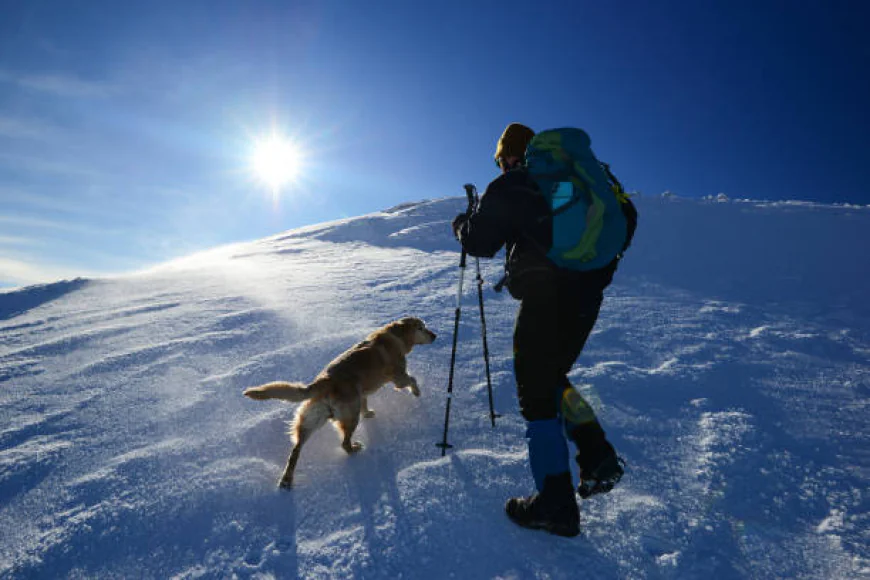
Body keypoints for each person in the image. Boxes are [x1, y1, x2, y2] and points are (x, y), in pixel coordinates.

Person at [452, 123, 625, 537]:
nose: (502, 164)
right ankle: (597, 456)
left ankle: (555, 502)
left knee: (535, 393)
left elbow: (478, 243)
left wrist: (462, 223)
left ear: (510, 155)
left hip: (546, 299)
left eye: (501, 159)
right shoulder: (571, 182)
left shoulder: (515, 183)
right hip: (587, 296)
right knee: (552, 379)